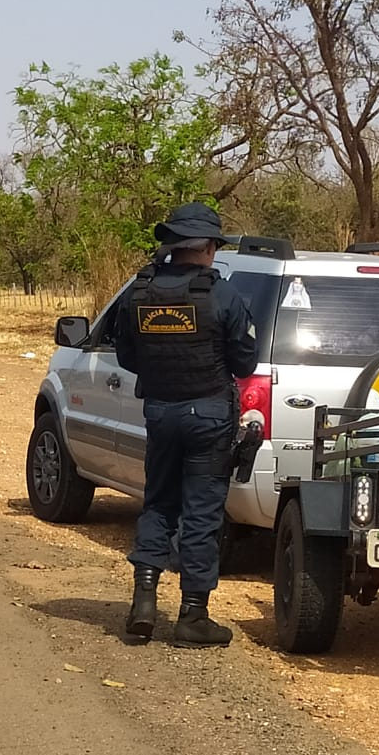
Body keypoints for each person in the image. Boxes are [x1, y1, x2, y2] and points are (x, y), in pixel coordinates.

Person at [114, 202, 258, 648]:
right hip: (209, 417)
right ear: (210, 248)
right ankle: (193, 616)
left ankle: (143, 603)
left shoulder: (138, 292)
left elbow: (126, 356)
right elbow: (245, 360)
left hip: (160, 411)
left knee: (158, 502)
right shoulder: (223, 294)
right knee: (201, 514)